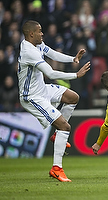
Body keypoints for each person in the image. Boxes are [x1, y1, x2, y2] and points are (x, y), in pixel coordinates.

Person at [18, 20, 90, 182]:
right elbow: (50, 73)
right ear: (31, 34)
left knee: (73, 98)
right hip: (31, 97)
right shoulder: (29, 51)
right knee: (65, 126)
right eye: (39, 31)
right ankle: (56, 168)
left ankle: (58, 135)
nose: (42, 34)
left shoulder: (37, 45)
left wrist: (73, 59)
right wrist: (75, 75)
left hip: (41, 89)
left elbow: (52, 53)